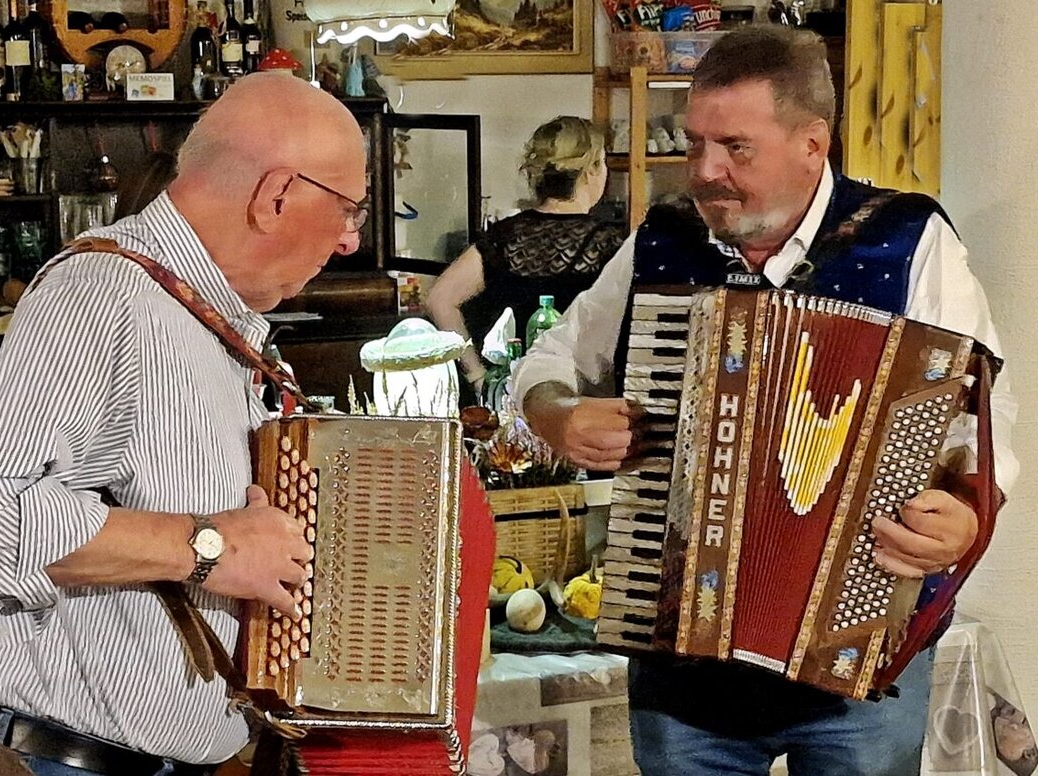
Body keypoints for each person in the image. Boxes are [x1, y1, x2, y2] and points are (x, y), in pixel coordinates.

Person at [513, 26, 1019, 776]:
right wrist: (558, 412)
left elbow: (983, 419)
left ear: (812, 143)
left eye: (735, 147)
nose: (706, 171)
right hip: (683, 662)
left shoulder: (908, 243)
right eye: (695, 143)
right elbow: (549, 362)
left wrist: (968, 515)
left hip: (858, 662)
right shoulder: (664, 242)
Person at [0, 72, 367, 775]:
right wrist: (208, 548)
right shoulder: (103, 296)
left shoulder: (212, 320)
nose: (350, 239)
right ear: (277, 195)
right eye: (349, 209)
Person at [425, 115, 625, 396]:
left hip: (514, 396)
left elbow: (439, 300)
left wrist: (478, 375)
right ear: (590, 171)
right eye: (602, 162)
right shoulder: (612, 242)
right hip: (581, 401)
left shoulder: (505, 236)